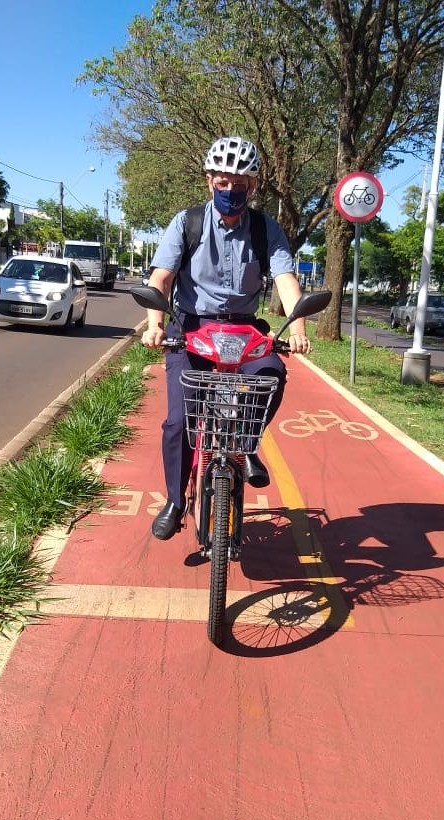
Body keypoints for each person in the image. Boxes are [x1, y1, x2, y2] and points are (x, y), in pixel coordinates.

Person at [141, 135, 312, 540]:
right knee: (180, 420)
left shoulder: (267, 229)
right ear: (209, 181)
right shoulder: (187, 223)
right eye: (223, 182)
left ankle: (246, 444)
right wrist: (154, 325)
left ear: (253, 186)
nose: (231, 190)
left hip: (244, 328)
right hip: (191, 328)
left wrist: (300, 328)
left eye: (240, 183)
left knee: (270, 375)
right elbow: (161, 278)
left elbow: (286, 280)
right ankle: (175, 501)